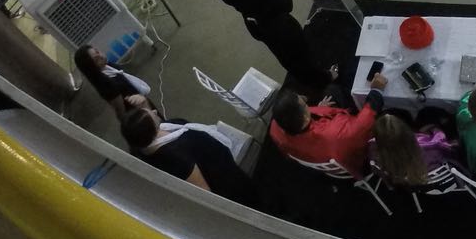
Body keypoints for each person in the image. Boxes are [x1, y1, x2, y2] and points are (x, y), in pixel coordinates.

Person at [121, 105, 257, 205]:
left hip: (222, 164)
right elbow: (204, 191)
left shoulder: (144, 142)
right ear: (151, 131)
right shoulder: (175, 159)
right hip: (224, 181)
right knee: (250, 199)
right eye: (151, 114)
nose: (155, 111)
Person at [270, 72, 387, 176]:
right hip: (360, 158)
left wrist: (319, 110)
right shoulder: (338, 134)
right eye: (305, 105)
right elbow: (363, 124)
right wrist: (376, 91)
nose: (305, 99)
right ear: (305, 118)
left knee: (332, 91)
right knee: (387, 117)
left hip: (321, 152)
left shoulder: (275, 129)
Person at [371, 113, 458, 187]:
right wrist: (435, 129)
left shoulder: (374, 152)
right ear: (407, 131)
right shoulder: (431, 148)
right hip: (446, 181)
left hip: (410, 185)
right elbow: (448, 149)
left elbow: (378, 170)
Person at [73, 44, 154, 117]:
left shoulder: (108, 65)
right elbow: (121, 112)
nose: (101, 56)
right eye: (96, 59)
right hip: (139, 114)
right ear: (91, 68)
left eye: (97, 51)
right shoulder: (106, 84)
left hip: (142, 101)